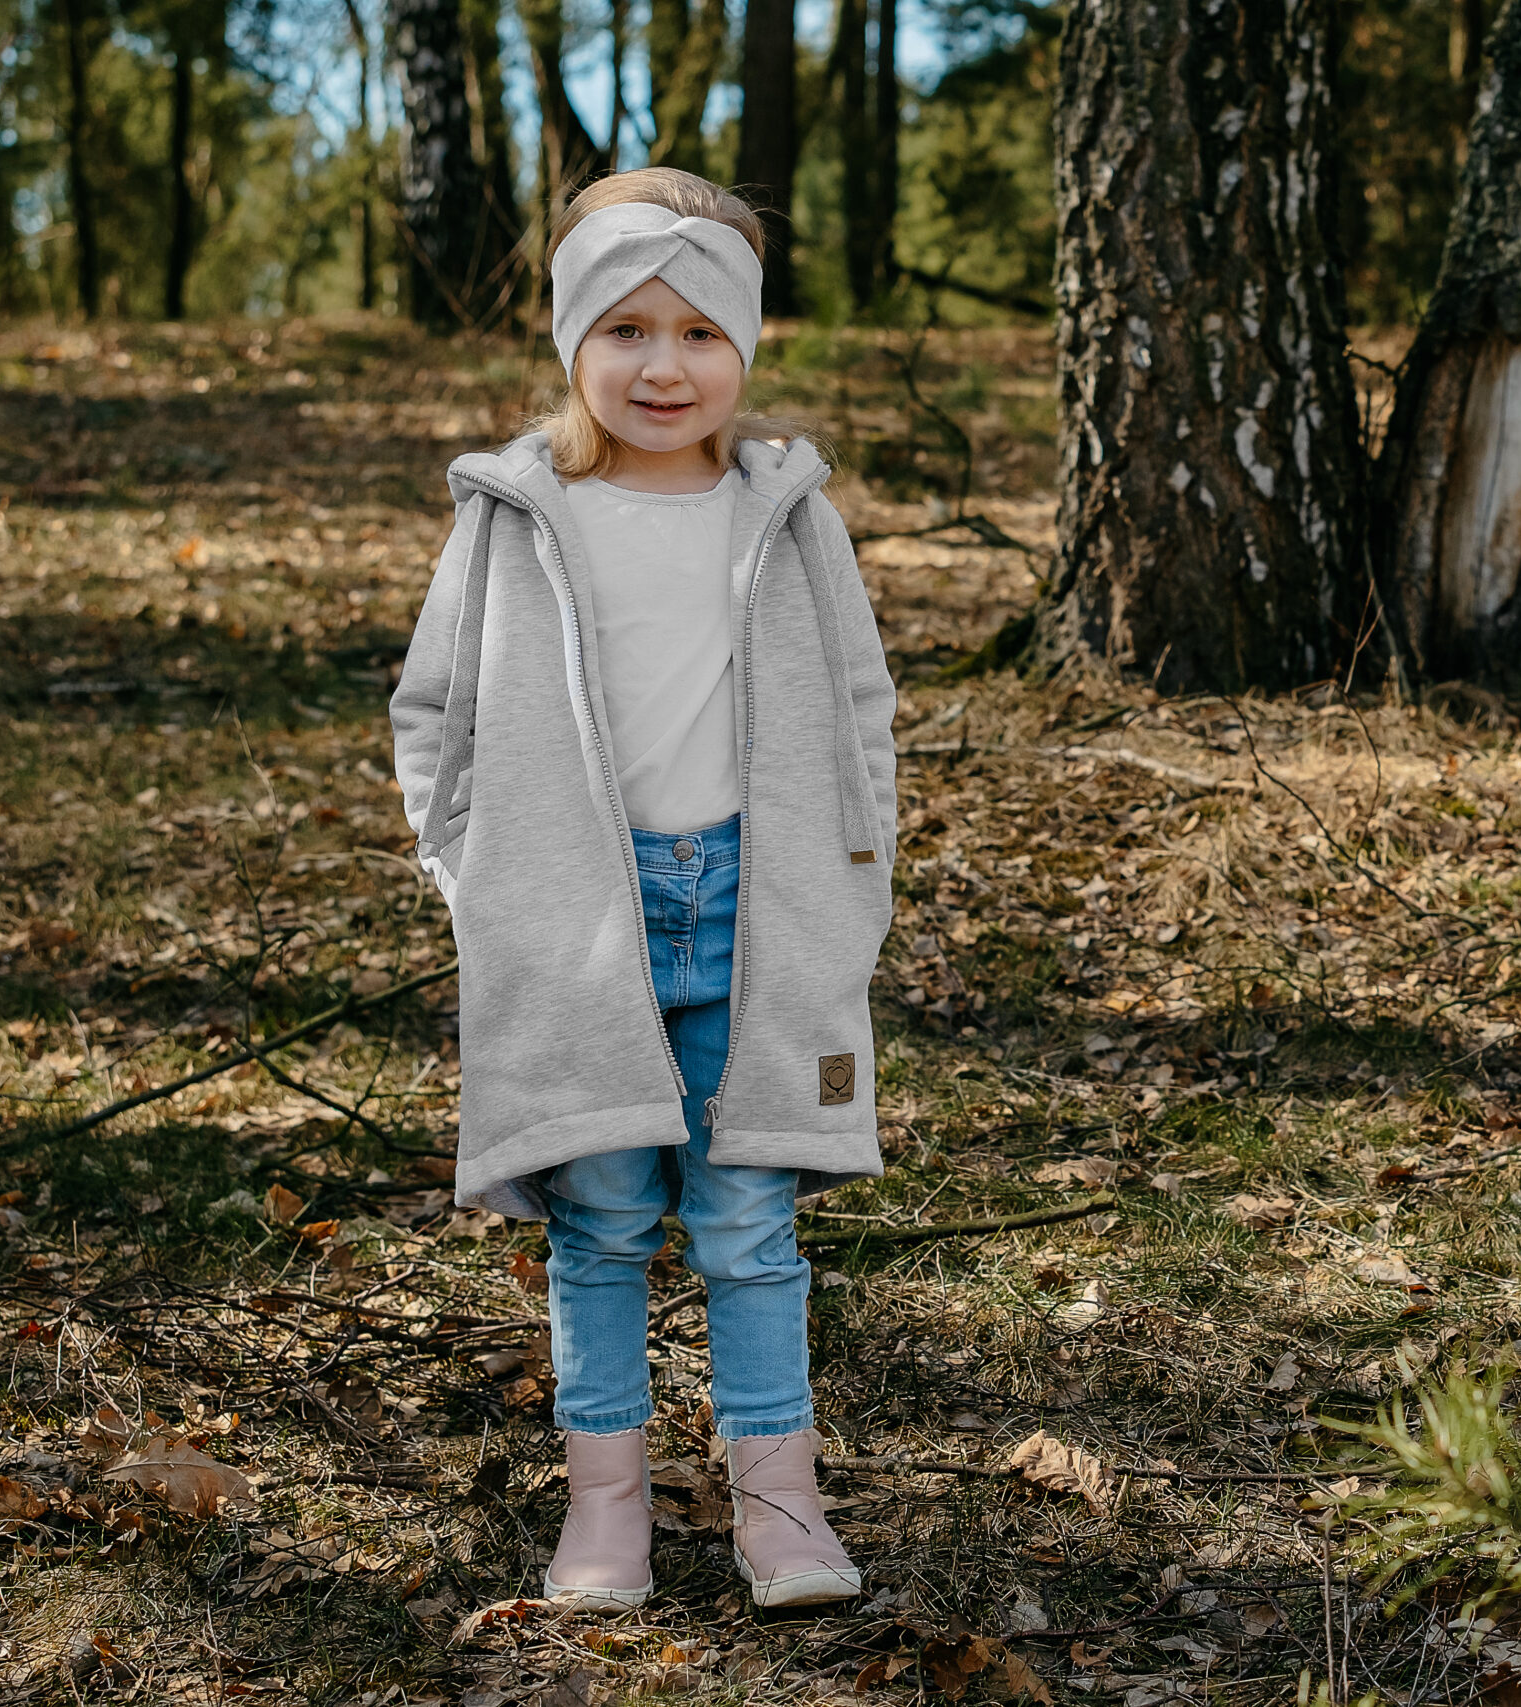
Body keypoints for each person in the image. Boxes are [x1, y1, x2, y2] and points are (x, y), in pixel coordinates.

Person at [390, 167, 897, 1611]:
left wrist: (855, 890)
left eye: (696, 331)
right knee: (601, 1219)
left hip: (754, 911)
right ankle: (604, 1512)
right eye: (625, 330)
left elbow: (861, 715)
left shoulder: (788, 515)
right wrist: (476, 880)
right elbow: (437, 716)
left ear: (743, 350)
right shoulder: (515, 514)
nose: (661, 365)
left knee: (748, 1224)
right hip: (575, 922)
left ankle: (778, 1509)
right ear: (571, 345)